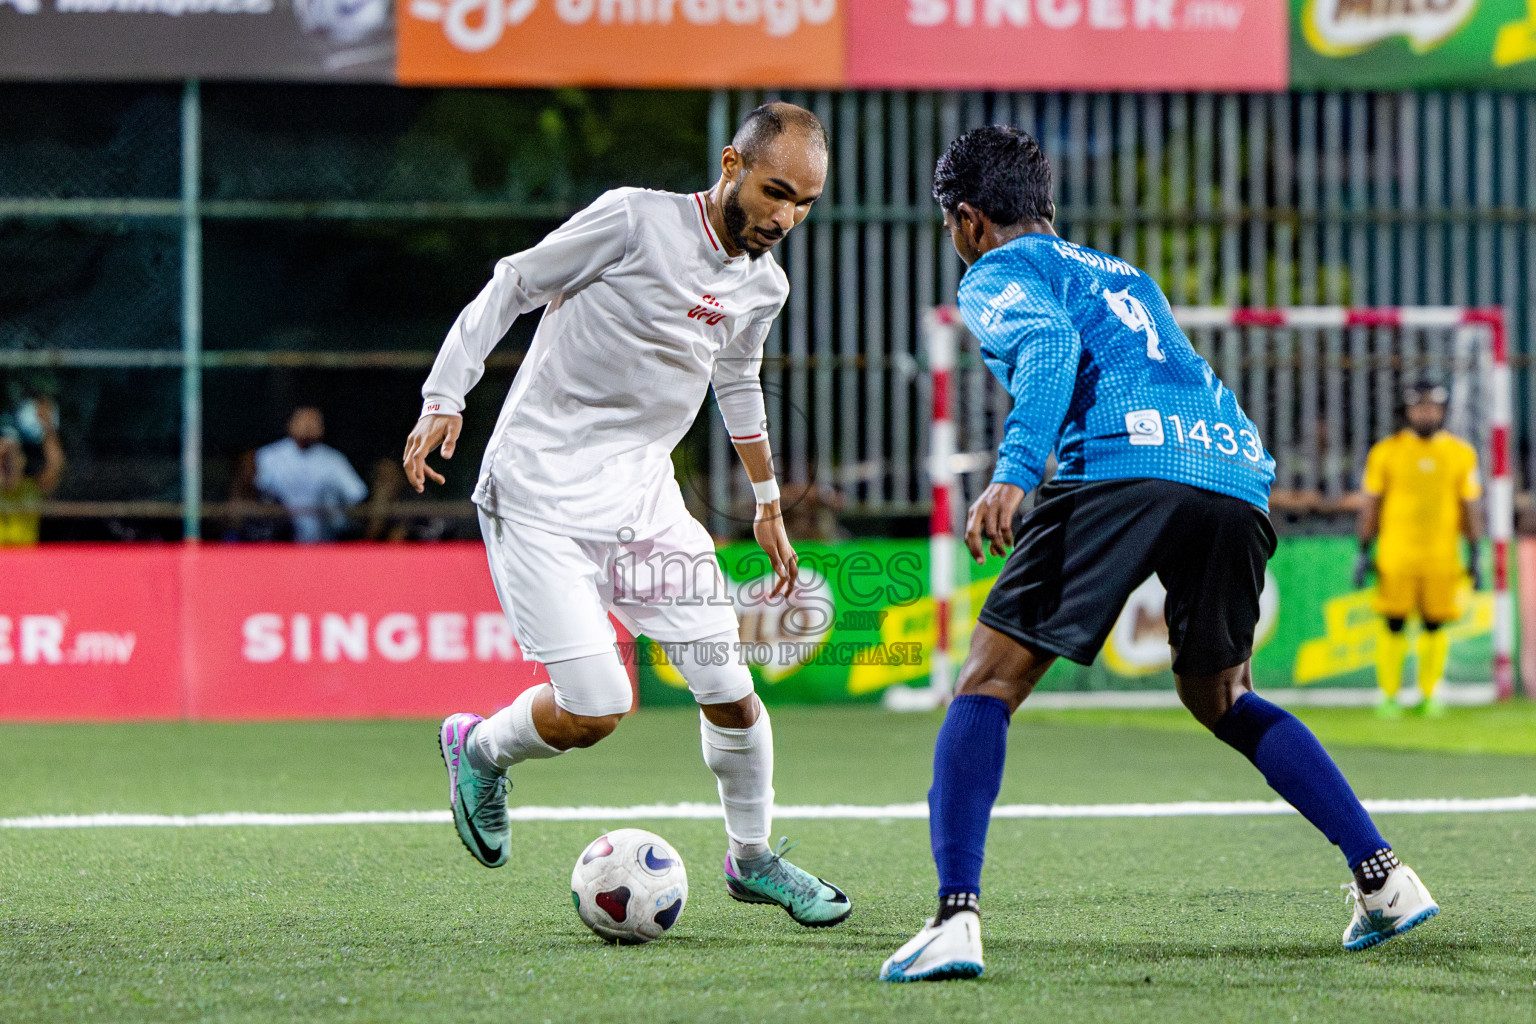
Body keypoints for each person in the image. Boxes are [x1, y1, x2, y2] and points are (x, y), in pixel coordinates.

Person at [880, 126, 1438, 983]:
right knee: (1220, 692)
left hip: (1125, 461)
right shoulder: (1124, 273)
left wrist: (1016, 470)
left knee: (988, 680)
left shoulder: (996, 271)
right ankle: (1384, 878)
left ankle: (955, 919)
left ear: (965, 219)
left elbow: (1052, 349)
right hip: (1232, 468)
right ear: (1048, 206)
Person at [402, 103, 850, 927]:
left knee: (730, 688)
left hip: (643, 504)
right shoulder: (633, 219)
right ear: (731, 166)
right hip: (537, 495)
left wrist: (767, 503)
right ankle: (481, 748)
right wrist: (444, 394)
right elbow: (513, 281)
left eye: (805, 203)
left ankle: (752, 860)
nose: (786, 217)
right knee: (596, 710)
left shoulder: (763, 284)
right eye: (776, 192)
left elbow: (738, 382)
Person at [1355, 381, 1481, 718]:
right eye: (1420, 407)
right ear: (1407, 411)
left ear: (1443, 411)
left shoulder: (1461, 453)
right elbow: (1372, 504)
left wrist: (1476, 553)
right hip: (1397, 554)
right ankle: (1389, 694)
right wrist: (1363, 551)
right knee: (1393, 622)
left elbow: (1469, 506)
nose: (1426, 413)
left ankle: (1430, 692)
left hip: (1441, 555)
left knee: (1435, 624)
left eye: (1433, 407)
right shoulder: (1386, 452)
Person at [253, 407, 368, 543]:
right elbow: (257, 493)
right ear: (290, 424)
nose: (307, 426)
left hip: (326, 540)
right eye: (302, 420)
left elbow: (357, 495)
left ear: (322, 428)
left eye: (313, 422)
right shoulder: (268, 456)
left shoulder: (334, 460)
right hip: (280, 540)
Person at [0, 399, 64, 547]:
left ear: (23, 461)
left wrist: (48, 426)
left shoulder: (32, 488)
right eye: (3, 460)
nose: (8, 463)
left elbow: (56, 464)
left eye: (13, 457)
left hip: (26, 563)